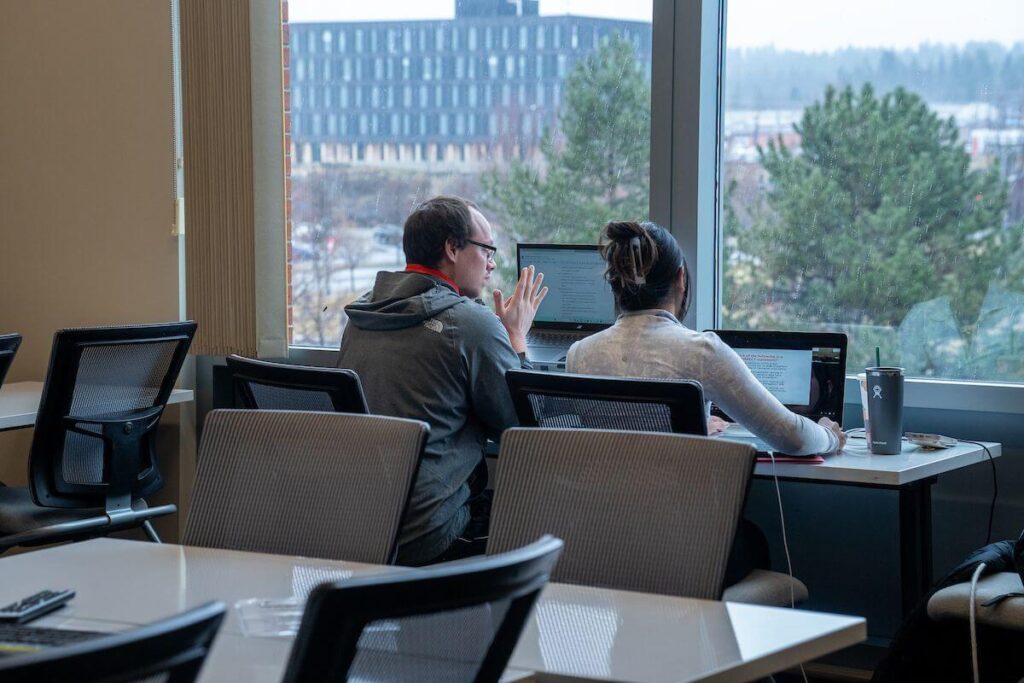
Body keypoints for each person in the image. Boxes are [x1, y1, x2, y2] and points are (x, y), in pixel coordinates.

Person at [567, 220, 846, 584]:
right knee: (753, 539)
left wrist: (693, 427)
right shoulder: (700, 351)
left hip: (604, 543)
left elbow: (618, 433)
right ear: (681, 279)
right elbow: (790, 435)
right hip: (685, 546)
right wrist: (830, 436)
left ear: (616, 285)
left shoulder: (580, 354)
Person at [338, 196, 547, 566]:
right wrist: (516, 339)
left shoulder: (360, 318)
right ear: (452, 248)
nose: (491, 262)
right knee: (541, 516)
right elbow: (522, 425)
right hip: (430, 533)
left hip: (362, 525)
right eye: (486, 250)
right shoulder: (469, 325)